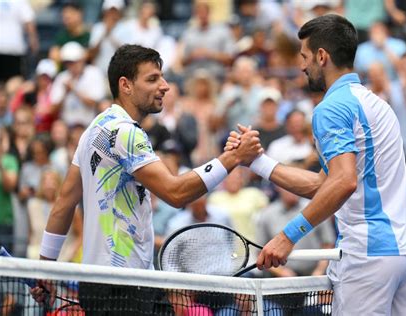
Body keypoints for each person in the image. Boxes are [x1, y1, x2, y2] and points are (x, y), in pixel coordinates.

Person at [30, 44, 262, 313]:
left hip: (113, 283)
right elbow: (175, 193)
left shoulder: (95, 128)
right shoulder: (125, 133)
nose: (165, 86)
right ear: (125, 85)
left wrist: (43, 266)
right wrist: (232, 159)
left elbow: (64, 204)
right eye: (152, 79)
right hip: (123, 288)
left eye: (162, 77)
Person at [226, 14, 406, 315]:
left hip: (369, 256)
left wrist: (287, 236)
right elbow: (324, 184)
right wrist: (258, 162)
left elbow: (343, 182)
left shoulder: (331, 109)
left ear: (322, 56)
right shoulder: (376, 104)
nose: (301, 66)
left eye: (305, 56)